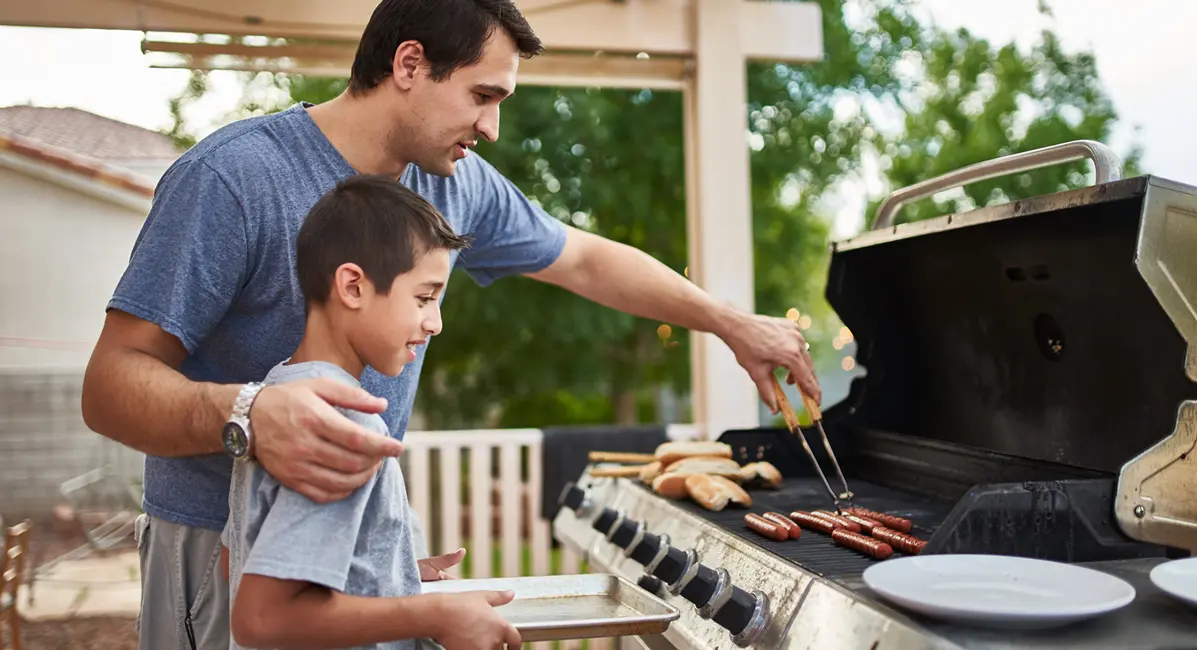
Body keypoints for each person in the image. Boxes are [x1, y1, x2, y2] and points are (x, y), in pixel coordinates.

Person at [80, 0, 821, 648]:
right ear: (410, 64)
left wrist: (731, 324)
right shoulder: (234, 178)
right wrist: (250, 414)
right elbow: (110, 386)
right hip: (219, 552)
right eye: (482, 95)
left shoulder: (451, 184)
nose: (492, 127)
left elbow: (587, 261)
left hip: (341, 563)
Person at [224, 174, 519, 650]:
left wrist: (389, 572)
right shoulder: (341, 421)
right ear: (354, 286)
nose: (435, 322)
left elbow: (235, 560)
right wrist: (433, 611)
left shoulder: (278, 394)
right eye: (424, 297)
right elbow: (261, 617)